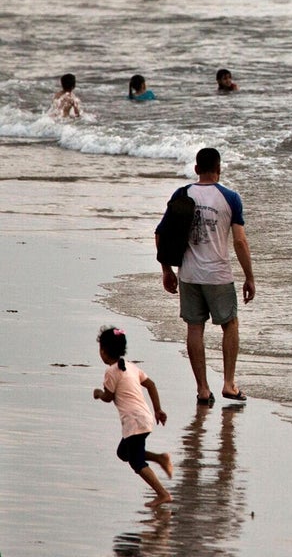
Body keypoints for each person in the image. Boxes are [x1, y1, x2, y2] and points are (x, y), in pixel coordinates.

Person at [156, 147, 256, 405]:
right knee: (230, 325)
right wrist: (249, 277)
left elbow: (161, 234)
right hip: (219, 274)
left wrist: (167, 270)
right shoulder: (230, 198)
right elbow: (240, 242)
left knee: (194, 328)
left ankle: (202, 389)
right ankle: (228, 384)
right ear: (219, 170)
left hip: (188, 274)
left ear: (196, 169)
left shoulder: (182, 194)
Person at [92, 327, 173, 508]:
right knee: (124, 453)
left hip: (134, 421)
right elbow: (151, 385)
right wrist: (158, 410)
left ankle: (163, 493)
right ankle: (161, 459)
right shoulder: (131, 367)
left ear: (103, 352)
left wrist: (98, 393)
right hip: (145, 418)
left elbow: (108, 397)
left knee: (136, 462)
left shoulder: (111, 372)